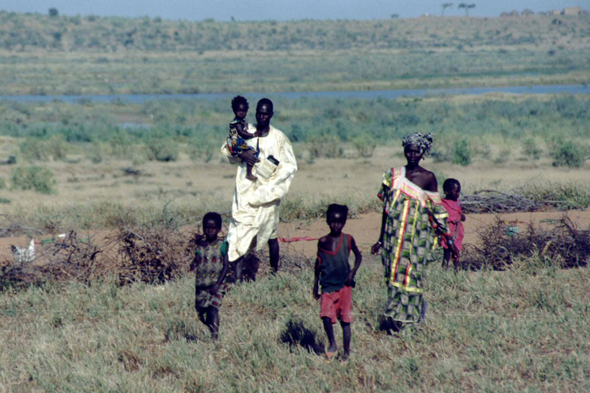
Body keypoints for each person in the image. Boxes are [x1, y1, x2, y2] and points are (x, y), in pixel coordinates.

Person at [371, 132, 457, 331]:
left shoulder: (428, 178)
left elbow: (436, 211)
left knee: (412, 276)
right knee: (393, 275)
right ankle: (397, 320)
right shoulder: (392, 175)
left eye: (416, 151)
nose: (411, 154)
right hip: (393, 237)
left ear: (423, 153)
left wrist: (449, 241)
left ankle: (414, 319)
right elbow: (386, 209)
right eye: (408, 150)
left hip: (418, 239)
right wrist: (381, 239)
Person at [221, 98, 297, 280]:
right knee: (240, 232)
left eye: (265, 114)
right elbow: (228, 148)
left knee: (271, 235)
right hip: (245, 193)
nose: (261, 117)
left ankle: (274, 275)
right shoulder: (246, 130)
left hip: (268, 196)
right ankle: (237, 279)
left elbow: (288, 167)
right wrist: (242, 153)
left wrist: (270, 189)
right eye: (259, 113)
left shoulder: (279, 139)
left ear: (271, 115)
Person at [313, 204, 362, 362]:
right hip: (327, 286)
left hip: (344, 287)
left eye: (339, 222)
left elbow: (359, 257)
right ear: (327, 221)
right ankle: (332, 344)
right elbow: (318, 264)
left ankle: (346, 353)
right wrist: (315, 284)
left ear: (344, 222)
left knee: (345, 321)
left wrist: (352, 273)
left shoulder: (348, 239)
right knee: (326, 317)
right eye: (333, 222)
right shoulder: (322, 241)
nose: (336, 225)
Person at [191, 212, 229, 340]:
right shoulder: (200, 245)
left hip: (216, 284)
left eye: (213, 227)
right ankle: (211, 327)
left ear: (218, 229)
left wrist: (218, 284)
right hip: (201, 285)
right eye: (207, 227)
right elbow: (197, 258)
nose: (210, 230)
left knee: (213, 309)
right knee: (201, 313)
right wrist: (193, 263)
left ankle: (214, 337)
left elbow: (226, 266)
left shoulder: (222, 245)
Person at [226, 95, 259, 181]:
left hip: (238, 143)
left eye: (244, 111)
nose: (242, 113)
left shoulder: (241, 121)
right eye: (239, 110)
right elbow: (242, 133)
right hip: (236, 144)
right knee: (250, 151)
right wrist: (253, 135)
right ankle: (249, 172)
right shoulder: (237, 123)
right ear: (234, 110)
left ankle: (252, 164)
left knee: (252, 150)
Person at [440, 178, 466, 272]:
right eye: (456, 191)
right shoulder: (442, 203)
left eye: (459, 191)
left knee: (457, 251)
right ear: (447, 191)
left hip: (457, 231)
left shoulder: (457, 202)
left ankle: (456, 270)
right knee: (447, 251)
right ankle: (444, 270)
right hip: (447, 232)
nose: (458, 194)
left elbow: (458, 212)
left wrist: (462, 216)